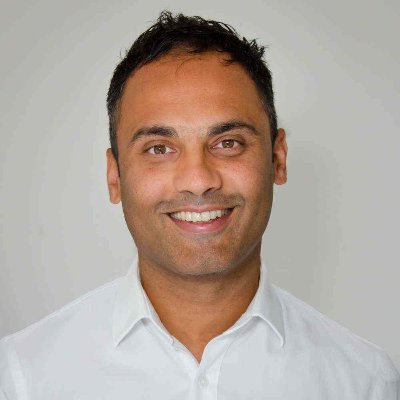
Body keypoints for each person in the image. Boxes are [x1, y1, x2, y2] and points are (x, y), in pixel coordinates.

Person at [0, 10, 399, 399]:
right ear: (114, 175)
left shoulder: (366, 383)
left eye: (228, 143)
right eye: (159, 148)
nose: (198, 180)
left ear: (278, 159)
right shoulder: (23, 378)